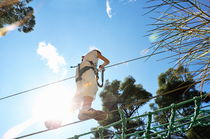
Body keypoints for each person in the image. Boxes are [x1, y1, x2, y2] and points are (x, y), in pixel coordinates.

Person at [72, 49, 110, 121]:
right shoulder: (95, 53)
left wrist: (97, 71)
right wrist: (102, 65)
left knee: (84, 90)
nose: (99, 57)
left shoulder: (87, 58)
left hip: (80, 71)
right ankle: (85, 109)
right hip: (86, 69)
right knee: (90, 88)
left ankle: (84, 108)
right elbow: (107, 61)